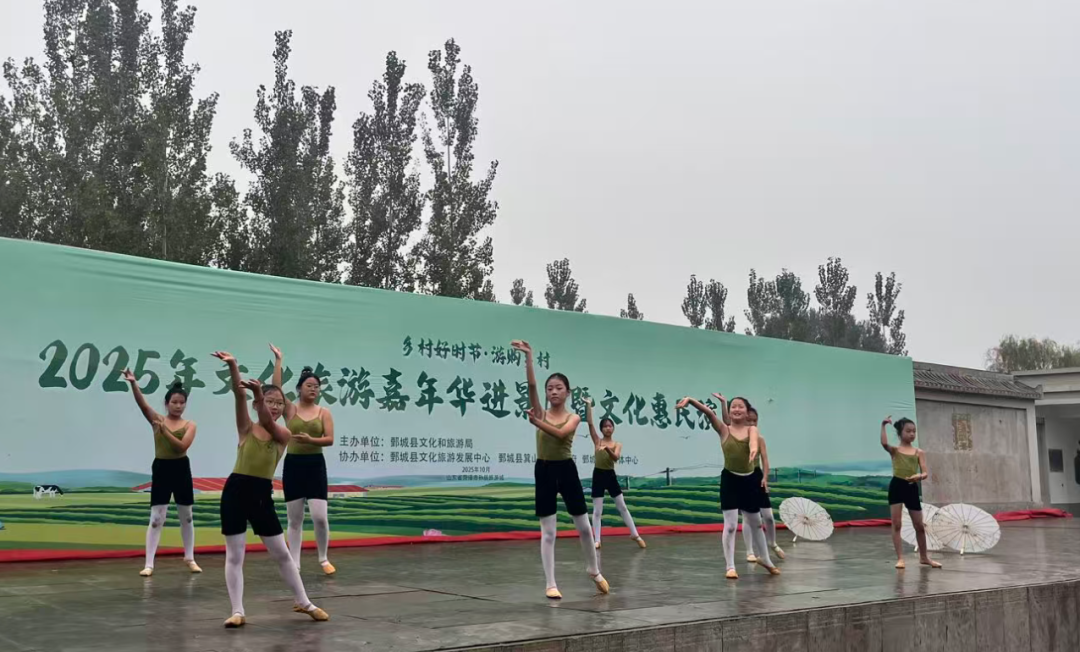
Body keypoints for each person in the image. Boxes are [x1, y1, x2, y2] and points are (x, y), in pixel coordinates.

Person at [211, 351, 329, 628]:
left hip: (261, 495)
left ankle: (304, 602)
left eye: (278, 403)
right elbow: (238, 394)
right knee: (235, 555)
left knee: (282, 553)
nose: (275, 407)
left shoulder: (283, 434)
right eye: (269, 402)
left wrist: (259, 396)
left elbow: (267, 421)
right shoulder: (245, 428)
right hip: (235, 491)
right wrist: (233, 366)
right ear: (257, 404)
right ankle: (237, 611)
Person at [511, 340, 609, 600]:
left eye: (558, 388)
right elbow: (531, 386)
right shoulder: (541, 412)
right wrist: (529, 357)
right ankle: (551, 583)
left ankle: (594, 570)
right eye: (550, 388)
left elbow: (561, 434)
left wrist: (536, 423)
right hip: (544, 470)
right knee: (549, 532)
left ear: (568, 393)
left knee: (584, 527)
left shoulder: (573, 417)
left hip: (566, 470)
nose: (553, 392)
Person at [677, 394, 779, 579]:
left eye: (741, 407)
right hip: (730, 480)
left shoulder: (752, 430)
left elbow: (753, 442)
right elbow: (709, 412)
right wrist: (690, 400)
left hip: (750, 481)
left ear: (747, 412)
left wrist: (753, 449)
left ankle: (765, 559)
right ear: (729, 412)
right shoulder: (724, 430)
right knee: (731, 526)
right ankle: (730, 566)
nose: (737, 409)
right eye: (734, 407)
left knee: (756, 523)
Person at [122, 372, 201, 577]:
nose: (178, 406)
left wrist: (164, 431)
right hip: (161, 469)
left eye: (182, 402)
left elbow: (181, 447)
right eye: (174, 402)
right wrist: (134, 384)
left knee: (187, 516)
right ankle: (149, 563)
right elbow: (143, 405)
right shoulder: (157, 420)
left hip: (181, 468)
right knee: (157, 517)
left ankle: (190, 557)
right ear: (167, 404)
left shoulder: (189, 425)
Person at [271, 344, 335, 575]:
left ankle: (323, 558)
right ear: (299, 389)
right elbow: (276, 389)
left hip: (315, 466)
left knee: (320, 517)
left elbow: (329, 439)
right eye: (309, 386)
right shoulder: (290, 409)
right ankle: (295, 562)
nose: (313, 390)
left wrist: (311, 440)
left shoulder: (324, 412)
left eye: (317, 387)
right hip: (294, 465)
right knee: (294, 519)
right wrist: (279, 360)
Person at [881, 416, 942, 570]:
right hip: (897, 486)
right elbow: (884, 443)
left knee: (919, 525)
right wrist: (883, 425)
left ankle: (924, 557)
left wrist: (919, 476)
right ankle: (900, 558)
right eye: (908, 431)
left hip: (912, 487)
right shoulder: (895, 451)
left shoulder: (918, 452)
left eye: (914, 431)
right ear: (900, 433)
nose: (912, 434)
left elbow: (925, 472)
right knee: (897, 524)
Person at [584, 398, 645, 550]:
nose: (608, 428)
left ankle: (635, 534)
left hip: (610, 476)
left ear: (613, 428)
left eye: (610, 426)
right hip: (598, 475)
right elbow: (590, 424)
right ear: (601, 429)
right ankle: (597, 540)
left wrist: (607, 449)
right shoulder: (597, 441)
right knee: (597, 511)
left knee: (622, 506)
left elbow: (616, 457)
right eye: (605, 426)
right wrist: (589, 405)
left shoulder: (617, 444)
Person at [742, 407, 784, 563]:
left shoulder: (760, 439)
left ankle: (772, 543)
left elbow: (765, 460)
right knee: (747, 518)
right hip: (742, 478)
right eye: (749, 420)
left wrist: (765, 478)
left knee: (769, 517)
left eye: (755, 421)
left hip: (757, 477)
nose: (752, 423)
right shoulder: (737, 440)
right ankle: (749, 551)